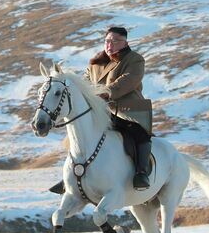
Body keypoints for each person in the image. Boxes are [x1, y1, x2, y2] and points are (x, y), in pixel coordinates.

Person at [49, 26, 152, 194]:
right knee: (78, 135)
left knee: (139, 134)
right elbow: (85, 83)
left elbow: (128, 80)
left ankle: (141, 173)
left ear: (125, 42)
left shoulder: (134, 60)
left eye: (114, 41)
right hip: (100, 110)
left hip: (127, 110)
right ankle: (72, 176)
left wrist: (106, 92)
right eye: (107, 41)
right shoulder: (95, 63)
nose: (109, 45)